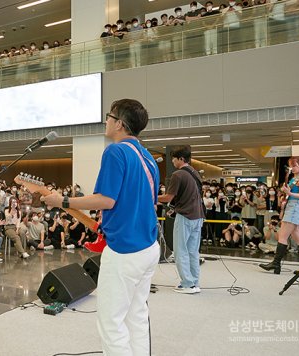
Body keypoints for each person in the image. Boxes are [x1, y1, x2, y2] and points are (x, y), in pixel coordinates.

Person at [42, 99, 159, 356]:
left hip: (125, 251)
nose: (106, 121)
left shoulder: (116, 152)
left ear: (119, 123)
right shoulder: (148, 157)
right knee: (136, 315)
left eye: (109, 116)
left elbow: (106, 199)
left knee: (111, 322)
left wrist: (62, 200)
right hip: (148, 246)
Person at [158, 145, 205, 294]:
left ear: (181, 159)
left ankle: (187, 284)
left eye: (174, 158)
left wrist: (149, 196)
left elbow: (168, 198)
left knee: (180, 251)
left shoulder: (178, 175)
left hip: (185, 216)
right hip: (198, 216)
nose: (172, 161)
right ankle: (194, 282)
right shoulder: (195, 173)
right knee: (192, 251)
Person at [259, 156, 299, 276]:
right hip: (292, 208)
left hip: (295, 209)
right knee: (298, 238)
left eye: (295, 165)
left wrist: (289, 192)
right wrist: (285, 192)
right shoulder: (294, 178)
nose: (293, 168)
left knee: (282, 237)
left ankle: (276, 264)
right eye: (291, 166)